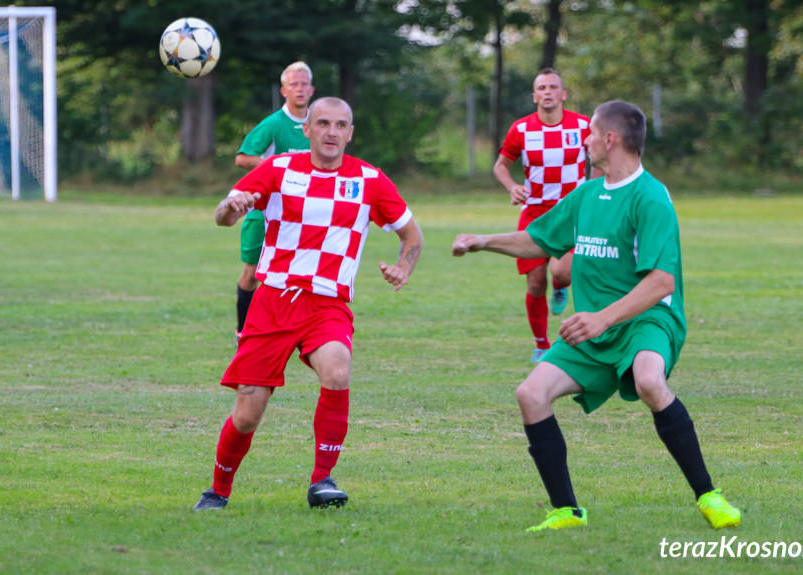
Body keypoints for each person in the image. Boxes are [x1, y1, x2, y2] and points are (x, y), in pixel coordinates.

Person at [452, 100, 740, 532]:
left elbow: (662, 282)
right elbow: (539, 239)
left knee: (648, 380)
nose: (583, 141)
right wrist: (483, 241)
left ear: (610, 139)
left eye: (589, 134)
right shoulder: (588, 194)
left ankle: (709, 496)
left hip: (647, 319)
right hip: (593, 327)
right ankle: (566, 511)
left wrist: (603, 318)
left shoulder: (651, 197)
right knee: (530, 395)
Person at [194, 97, 424, 511]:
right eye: (323, 123)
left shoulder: (370, 180)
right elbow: (223, 216)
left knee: (337, 369)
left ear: (350, 133)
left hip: (328, 304)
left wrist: (404, 268)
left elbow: (412, 235)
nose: (332, 132)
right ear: (307, 130)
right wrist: (230, 208)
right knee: (248, 413)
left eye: (340, 125)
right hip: (273, 302)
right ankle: (218, 491)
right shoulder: (280, 169)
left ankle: (323, 481)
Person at [493, 69, 593, 363]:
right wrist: (512, 187)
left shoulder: (583, 125)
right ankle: (541, 345)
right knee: (535, 284)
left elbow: (600, 158)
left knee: (560, 272)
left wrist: (597, 190)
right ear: (535, 96)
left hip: (571, 213)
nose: (547, 92)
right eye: (541, 88)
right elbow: (500, 165)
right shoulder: (521, 129)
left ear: (563, 94)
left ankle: (561, 287)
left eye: (553, 87)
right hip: (535, 214)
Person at [232, 61, 315, 344]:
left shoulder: (318, 124)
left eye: (304, 84)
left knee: (298, 273)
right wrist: (275, 165)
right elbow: (242, 157)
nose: (300, 89)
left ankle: (292, 331)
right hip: (264, 212)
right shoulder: (273, 125)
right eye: (294, 84)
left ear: (312, 89)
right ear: (283, 90)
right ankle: (242, 330)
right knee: (252, 272)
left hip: (302, 215)